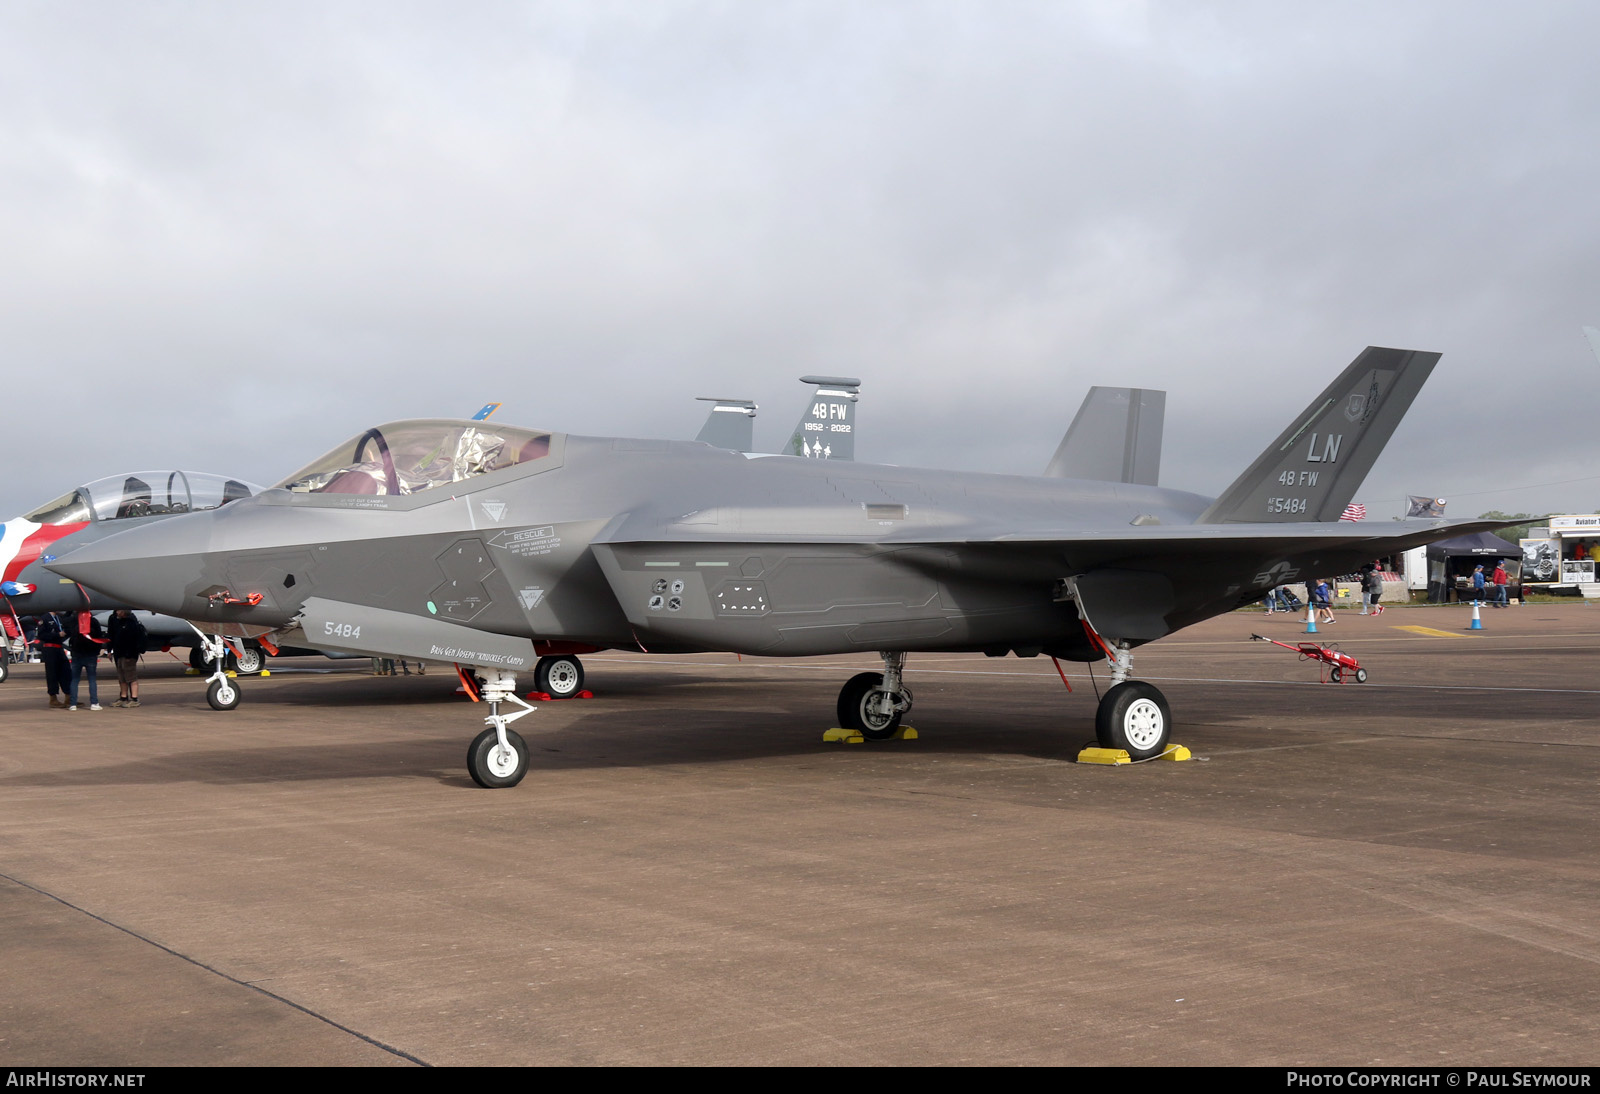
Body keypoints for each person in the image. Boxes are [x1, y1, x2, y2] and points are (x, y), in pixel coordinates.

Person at [64, 611, 107, 711]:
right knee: (92, 679)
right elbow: (99, 637)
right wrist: (96, 650)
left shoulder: (74, 621)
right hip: (91, 655)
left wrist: (67, 612)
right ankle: (94, 703)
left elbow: (65, 623)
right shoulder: (94, 621)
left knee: (74, 680)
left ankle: (72, 704)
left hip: (76, 655)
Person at [107, 609, 147, 707]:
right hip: (119, 653)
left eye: (119, 610)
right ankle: (123, 697)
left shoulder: (132, 623)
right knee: (121, 677)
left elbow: (133, 642)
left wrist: (130, 655)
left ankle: (134, 699)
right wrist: (109, 650)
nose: (117, 612)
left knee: (131, 677)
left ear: (124, 612)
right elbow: (112, 635)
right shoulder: (116, 621)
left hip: (129, 655)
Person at [35, 612, 71, 708]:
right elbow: (41, 635)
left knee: (66, 670)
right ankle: (53, 698)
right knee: (52, 673)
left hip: (59, 648)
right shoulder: (45, 618)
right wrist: (57, 635)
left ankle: (69, 696)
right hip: (49, 648)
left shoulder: (59, 618)